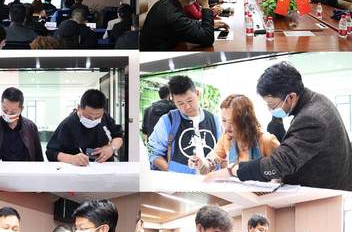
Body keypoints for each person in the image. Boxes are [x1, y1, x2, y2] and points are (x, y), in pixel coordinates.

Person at [213, 62, 352, 191]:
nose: (270, 109)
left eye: (272, 105)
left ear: (291, 97)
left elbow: (279, 163)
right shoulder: (319, 101)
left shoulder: (311, 117)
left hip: (324, 192)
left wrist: (234, 170)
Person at [190, 94, 280, 178]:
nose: (227, 127)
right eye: (224, 120)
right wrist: (201, 164)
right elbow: (210, 163)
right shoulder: (226, 138)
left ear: (246, 120)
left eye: (232, 121)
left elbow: (279, 172)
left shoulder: (267, 141)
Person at [147, 75, 221, 173]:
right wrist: (171, 172)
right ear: (173, 100)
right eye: (180, 103)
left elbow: (223, 152)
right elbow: (153, 152)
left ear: (197, 93)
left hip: (211, 179)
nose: (187, 107)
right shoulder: (168, 121)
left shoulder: (214, 120)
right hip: (178, 181)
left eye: (190, 100)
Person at [140, 0, 216, 50]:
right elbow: (208, 38)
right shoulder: (173, 15)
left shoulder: (167, 3)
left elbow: (187, 22)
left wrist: (205, 24)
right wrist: (205, 5)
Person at [46, 89, 124, 166]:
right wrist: (71, 158)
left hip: (104, 166)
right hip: (79, 168)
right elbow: (50, 152)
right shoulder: (67, 124)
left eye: (97, 117)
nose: (93, 120)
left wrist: (111, 148)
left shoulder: (105, 116)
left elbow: (118, 136)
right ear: (79, 107)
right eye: (88, 117)